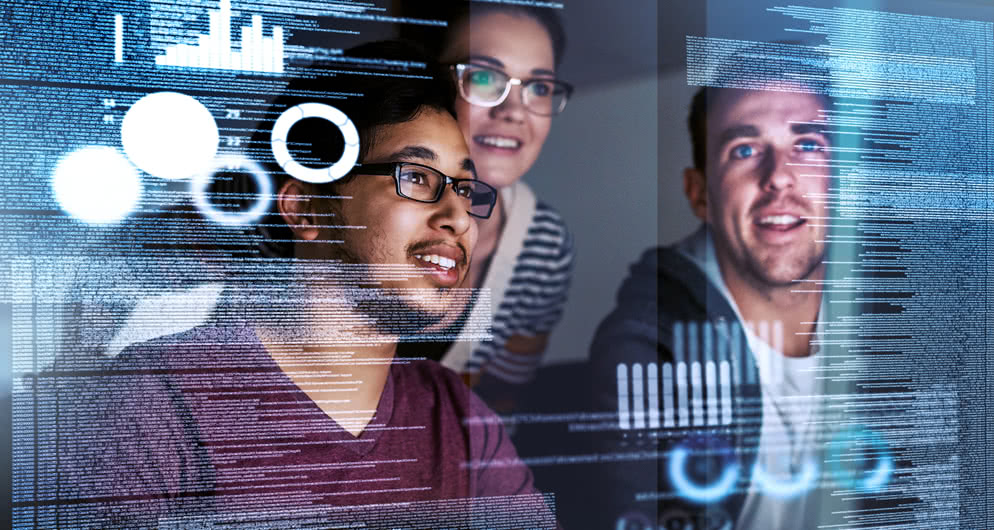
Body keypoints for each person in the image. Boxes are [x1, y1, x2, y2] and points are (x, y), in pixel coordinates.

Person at [48, 41, 556, 529]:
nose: (459, 218)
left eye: (465, 189)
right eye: (418, 176)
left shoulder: (458, 417)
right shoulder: (148, 403)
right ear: (307, 207)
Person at [586, 53, 835, 528]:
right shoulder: (645, 347)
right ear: (699, 193)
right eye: (743, 150)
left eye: (807, 145)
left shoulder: (908, 320)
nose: (779, 175)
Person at [398, 4, 576, 408]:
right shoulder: (342, 207)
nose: (513, 112)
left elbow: (500, 404)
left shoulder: (542, 246)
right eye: (482, 77)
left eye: (540, 87)